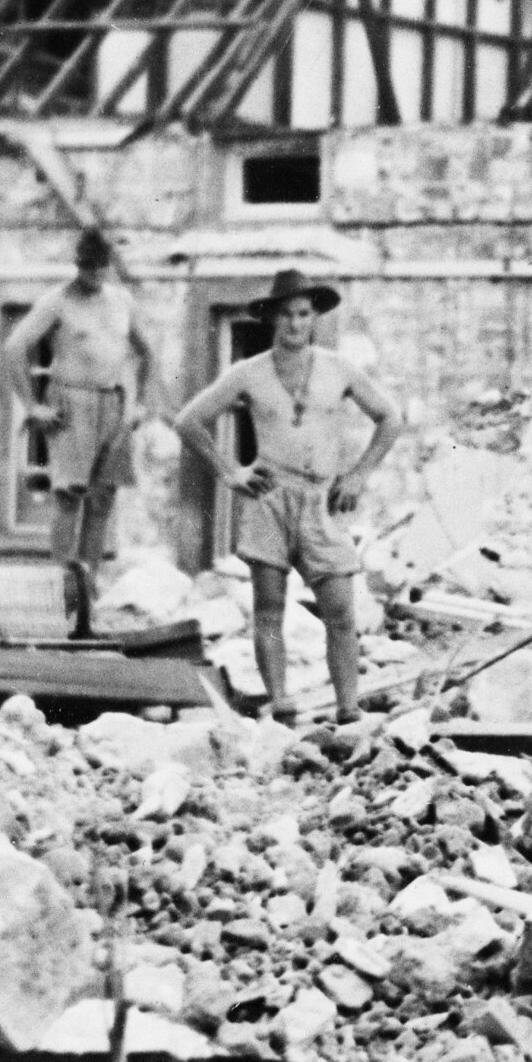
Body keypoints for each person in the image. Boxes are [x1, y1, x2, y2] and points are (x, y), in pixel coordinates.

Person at [174, 269, 402, 723]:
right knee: (269, 609)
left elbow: (389, 417)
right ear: (271, 320)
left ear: (314, 318)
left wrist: (358, 475)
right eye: (286, 316)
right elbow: (189, 421)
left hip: (321, 500)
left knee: (340, 611)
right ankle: (280, 702)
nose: (295, 324)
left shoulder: (339, 369)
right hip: (270, 499)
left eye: (303, 314)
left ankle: (348, 708)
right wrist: (229, 473)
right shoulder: (248, 373)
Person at [3, 229, 157, 638]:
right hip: (72, 403)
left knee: (103, 498)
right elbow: (15, 347)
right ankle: (61, 593)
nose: (96, 274)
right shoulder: (58, 301)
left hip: (114, 402)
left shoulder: (122, 300)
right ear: (78, 265)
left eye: (102, 266)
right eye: (89, 267)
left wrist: (140, 402)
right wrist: (33, 405)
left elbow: (148, 352)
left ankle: (87, 593)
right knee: (69, 495)